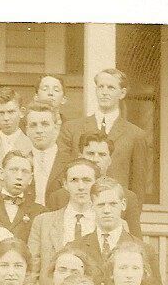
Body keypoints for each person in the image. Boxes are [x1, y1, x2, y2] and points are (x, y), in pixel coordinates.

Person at [66, 177, 167, 285]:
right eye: (101, 205)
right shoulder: (76, 248)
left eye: (113, 204)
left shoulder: (144, 250)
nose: (107, 210)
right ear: (91, 206)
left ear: (123, 204)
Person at [58, 68, 152, 199]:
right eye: (100, 87)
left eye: (111, 88)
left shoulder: (136, 135)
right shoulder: (72, 129)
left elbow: (138, 186)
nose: (104, 92)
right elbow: (62, 173)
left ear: (122, 93)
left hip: (113, 206)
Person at [48, 130, 143, 237]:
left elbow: (135, 241)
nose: (96, 159)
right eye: (90, 154)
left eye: (102, 155)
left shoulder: (127, 197)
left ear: (109, 160)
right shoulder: (58, 197)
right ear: (80, 157)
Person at [28, 157, 99, 285]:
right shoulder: (43, 222)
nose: (81, 187)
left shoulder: (107, 224)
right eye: (74, 180)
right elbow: (32, 273)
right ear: (65, 184)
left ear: (96, 184)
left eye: (87, 180)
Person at [0, 151, 45, 245]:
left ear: (30, 179)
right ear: (1, 173)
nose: (19, 177)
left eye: (25, 172)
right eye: (14, 170)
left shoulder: (40, 213)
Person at [24, 101, 66, 207]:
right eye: (33, 125)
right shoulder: (21, 162)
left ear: (56, 128)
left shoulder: (69, 163)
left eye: (45, 124)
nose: (39, 130)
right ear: (27, 130)